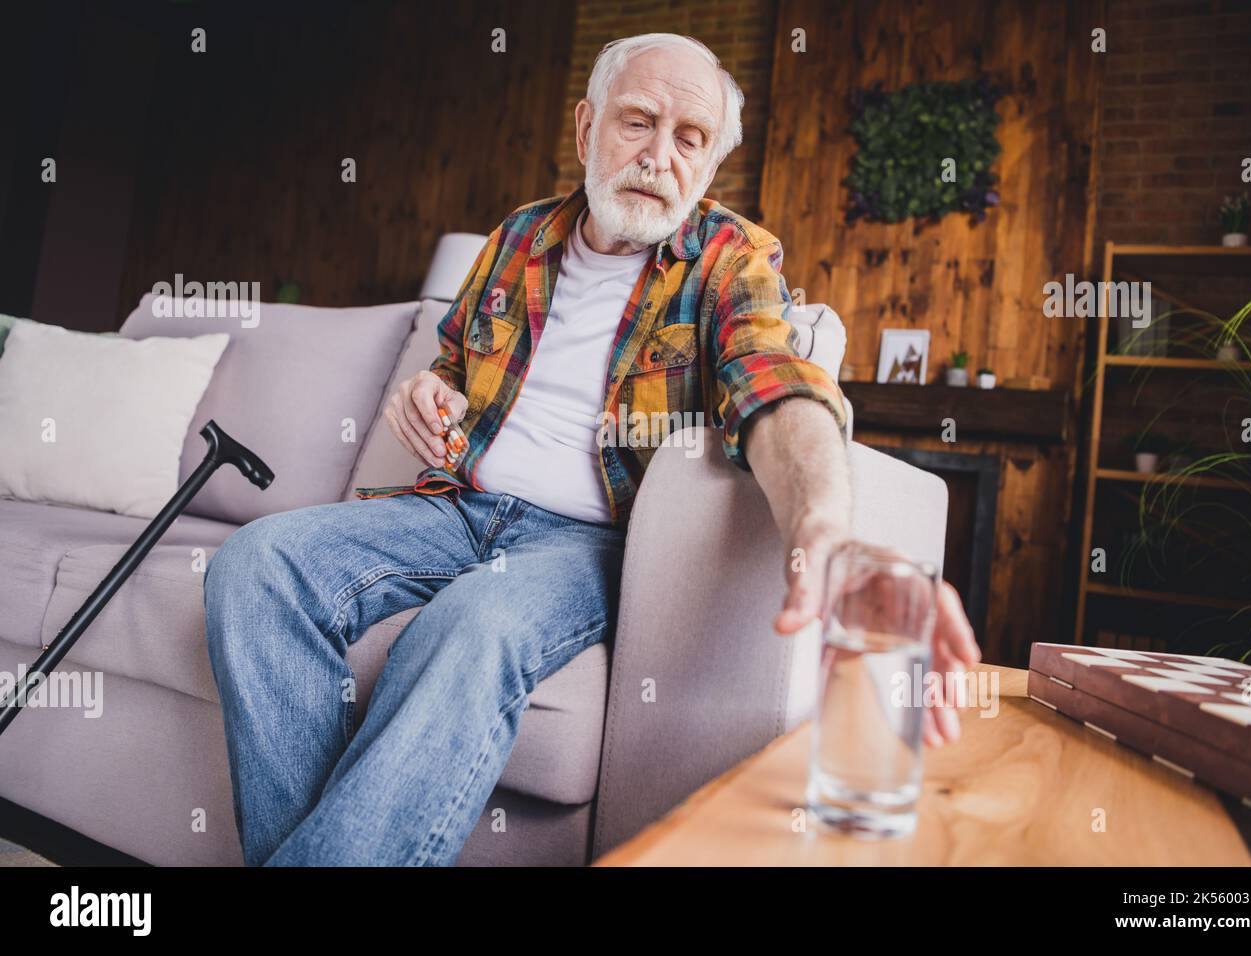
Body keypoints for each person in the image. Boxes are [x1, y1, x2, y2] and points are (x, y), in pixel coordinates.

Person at [204, 31, 979, 867]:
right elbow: (454, 364)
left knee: (476, 624)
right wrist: (425, 392)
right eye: (637, 121)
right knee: (256, 563)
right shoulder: (519, 238)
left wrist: (825, 532)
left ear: (712, 163)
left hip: (586, 542)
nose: (658, 157)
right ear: (586, 129)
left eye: (690, 139)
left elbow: (777, 390)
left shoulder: (729, 260)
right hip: (455, 509)